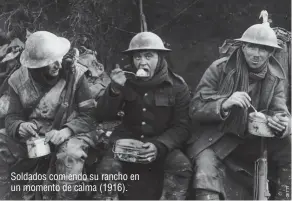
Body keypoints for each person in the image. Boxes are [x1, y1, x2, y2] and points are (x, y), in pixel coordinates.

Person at [186, 22, 291, 200]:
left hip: (253, 142)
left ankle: (285, 196)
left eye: (263, 49)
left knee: (288, 146)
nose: (256, 55)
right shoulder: (220, 69)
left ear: (271, 53)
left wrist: (281, 124)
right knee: (205, 170)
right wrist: (224, 104)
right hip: (218, 139)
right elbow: (195, 108)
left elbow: (281, 113)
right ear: (243, 47)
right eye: (251, 47)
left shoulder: (276, 77)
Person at [94, 31, 192, 200]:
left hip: (161, 142)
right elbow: (102, 116)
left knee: (181, 167)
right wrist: (114, 89)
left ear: (160, 58)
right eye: (137, 57)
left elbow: (182, 127)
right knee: (107, 169)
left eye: (149, 56)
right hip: (127, 141)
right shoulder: (125, 80)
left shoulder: (177, 86)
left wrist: (159, 145)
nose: (142, 62)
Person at [0, 31, 97, 200]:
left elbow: (90, 115)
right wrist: (20, 126)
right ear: (34, 66)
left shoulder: (76, 75)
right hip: (36, 137)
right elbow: (11, 117)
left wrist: (66, 131)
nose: (58, 65)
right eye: (49, 62)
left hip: (71, 132)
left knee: (70, 156)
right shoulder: (17, 80)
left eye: (58, 58)